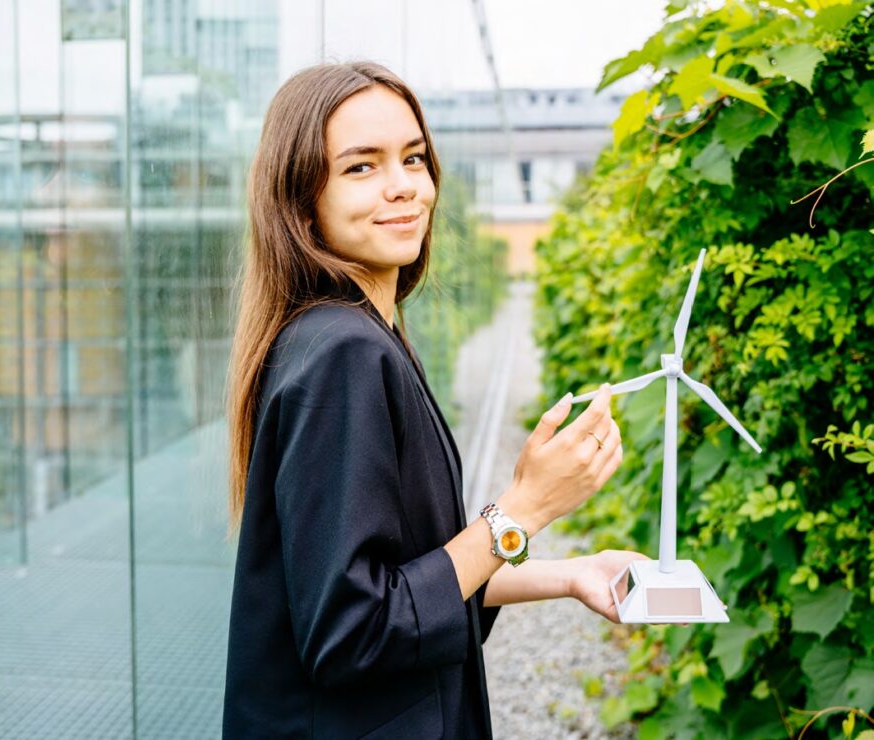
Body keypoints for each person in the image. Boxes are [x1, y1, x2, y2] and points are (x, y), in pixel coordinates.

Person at [223, 61, 642, 739]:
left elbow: (414, 581)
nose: (404, 187)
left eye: (413, 158)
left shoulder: (360, 335)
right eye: (361, 167)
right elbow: (356, 630)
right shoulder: (342, 355)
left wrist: (575, 573)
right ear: (302, 203)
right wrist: (526, 508)